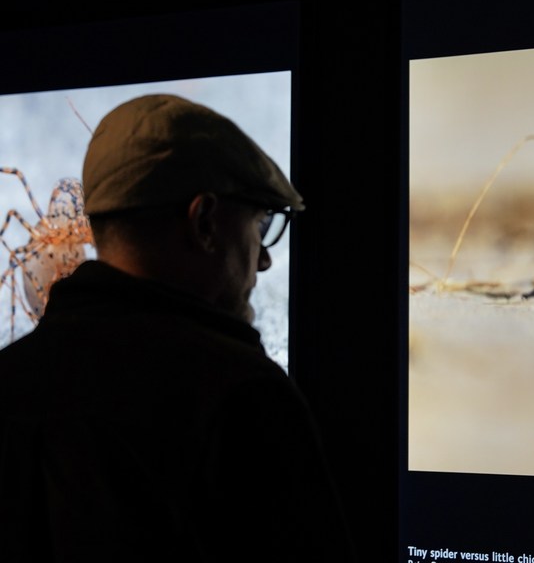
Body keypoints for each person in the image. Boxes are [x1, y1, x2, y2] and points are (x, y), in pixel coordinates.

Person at [0, 94, 353, 561]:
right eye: (261, 224)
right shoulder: (245, 400)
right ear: (205, 221)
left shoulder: (10, 380)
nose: (265, 258)